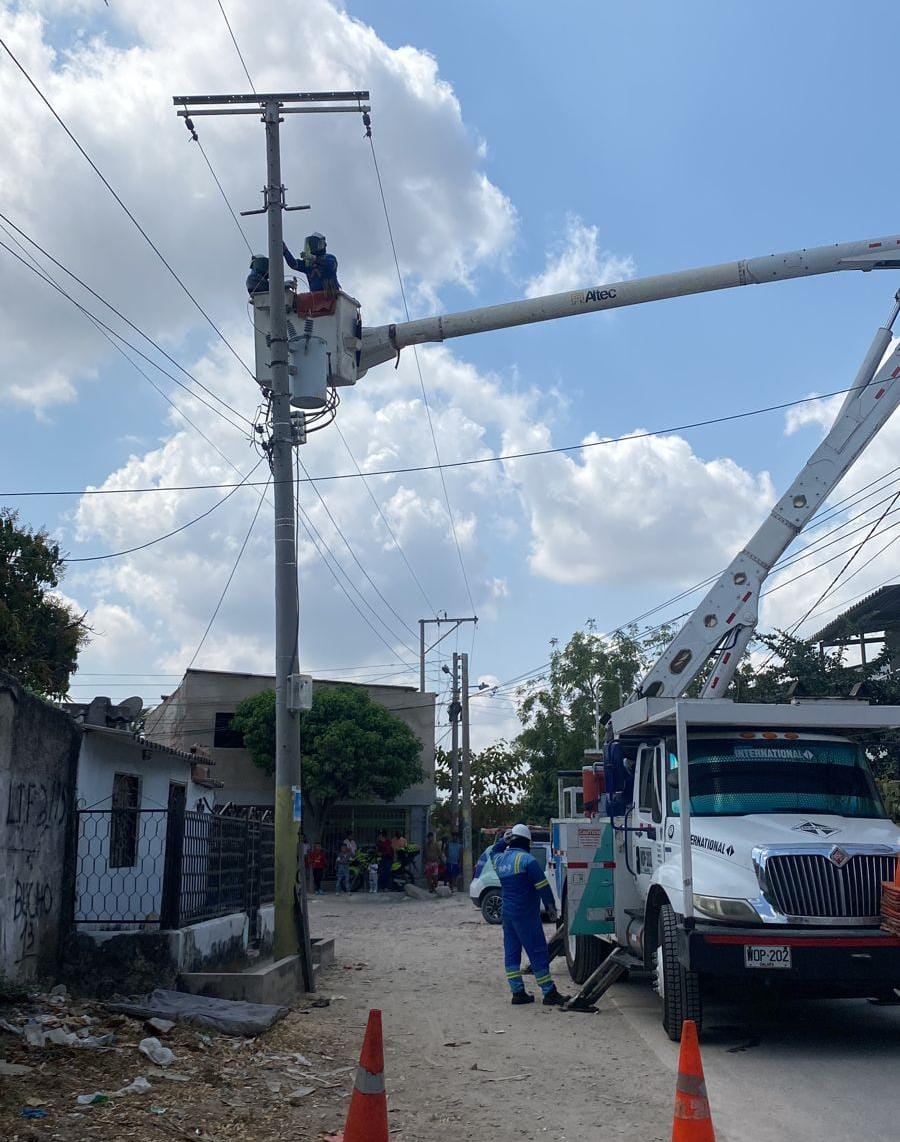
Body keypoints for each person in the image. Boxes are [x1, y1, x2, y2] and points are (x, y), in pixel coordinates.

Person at [492, 824, 568, 1007]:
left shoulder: (500, 861)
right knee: (538, 951)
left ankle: (517, 992)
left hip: (508, 915)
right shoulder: (527, 860)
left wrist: (503, 840)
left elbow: (493, 851)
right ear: (527, 841)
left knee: (511, 952)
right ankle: (548, 992)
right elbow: (542, 886)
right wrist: (551, 907)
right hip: (525, 914)